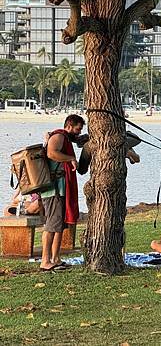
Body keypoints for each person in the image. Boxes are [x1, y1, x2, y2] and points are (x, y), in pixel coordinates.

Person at [39, 114, 85, 271]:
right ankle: (45, 261)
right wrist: (70, 158)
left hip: (61, 188)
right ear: (70, 125)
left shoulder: (66, 138)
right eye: (77, 129)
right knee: (52, 224)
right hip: (53, 189)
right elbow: (51, 153)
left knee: (60, 224)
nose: (78, 133)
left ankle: (56, 258)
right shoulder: (58, 136)